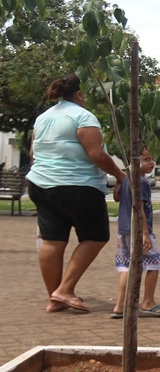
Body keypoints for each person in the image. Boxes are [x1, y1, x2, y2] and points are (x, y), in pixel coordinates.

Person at [26, 73, 127, 313]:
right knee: (95, 237)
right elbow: (98, 155)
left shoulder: (43, 118)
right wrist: (121, 176)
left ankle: (55, 298)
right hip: (77, 186)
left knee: (52, 240)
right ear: (79, 94)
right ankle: (65, 290)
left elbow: (33, 152)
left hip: (40, 185)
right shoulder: (83, 116)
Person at [111, 147, 160, 319]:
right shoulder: (141, 182)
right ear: (135, 162)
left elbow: (117, 197)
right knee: (154, 264)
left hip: (124, 230)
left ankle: (120, 306)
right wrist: (145, 233)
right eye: (146, 160)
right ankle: (148, 301)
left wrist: (120, 179)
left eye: (152, 159)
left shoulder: (128, 179)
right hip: (138, 230)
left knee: (127, 267)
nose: (151, 163)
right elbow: (139, 208)